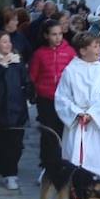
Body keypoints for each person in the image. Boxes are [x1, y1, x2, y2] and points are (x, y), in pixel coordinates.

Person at [55, 32, 100, 186]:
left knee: (99, 156)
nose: (99, 48)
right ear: (83, 51)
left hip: (97, 124)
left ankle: (99, 188)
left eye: (99, 45)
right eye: (95, 46)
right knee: (76, 155)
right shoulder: (71, 70)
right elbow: (62, 97)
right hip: (77, 122)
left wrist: (92, 114)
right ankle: (76, 190)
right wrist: (77, 112)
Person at [0, 30, 30, 191]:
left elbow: (25, 80)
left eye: (9, 41)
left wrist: (30, 93)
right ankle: (3, 170)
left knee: (16, 144)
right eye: (3, 42)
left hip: (17, 109)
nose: (8, 44)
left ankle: (11, 174)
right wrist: (2, 66)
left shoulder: (17, 62)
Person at [29, 18, 76, 175]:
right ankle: (47, 165)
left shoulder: (70, 52)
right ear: (46, 36)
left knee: (64, 132)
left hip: (65, 99)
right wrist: (34, 91)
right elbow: (33, 76)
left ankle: (63, 163)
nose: (58, 38)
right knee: (48, 132)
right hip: (46, 99)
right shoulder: (39, 54)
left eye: (60, 34)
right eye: (54, 34)